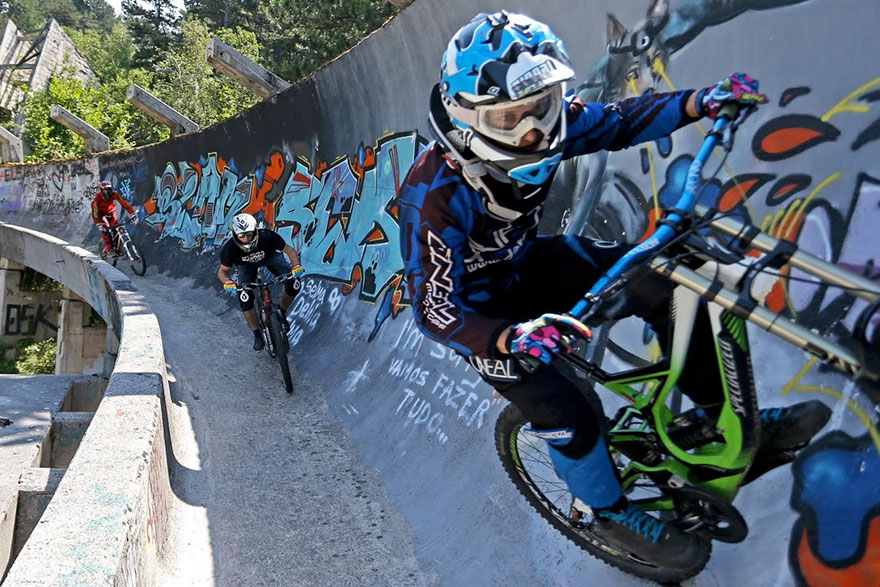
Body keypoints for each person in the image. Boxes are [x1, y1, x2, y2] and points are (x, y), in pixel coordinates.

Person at [398, 11, 830, 570]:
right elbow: (434, 311)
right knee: (572, 409)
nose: (534, 131)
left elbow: (622, 119)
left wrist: (702, 101)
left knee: (668, 283)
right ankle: (605, 511)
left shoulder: (549, 125)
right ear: (465, 117)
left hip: (527, 265)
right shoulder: (431, 194)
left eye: (542, 108)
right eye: (510, 117)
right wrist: (508, 339)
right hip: (485, 317)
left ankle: (725, 419)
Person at [217, 213, 305, 351]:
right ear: (235, 235)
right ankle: (257, 335)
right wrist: (227, 281)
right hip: (246, 266)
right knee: (244, 297)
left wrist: (296, 265)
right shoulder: (230, 248)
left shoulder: (267, 236)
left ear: (256, 231)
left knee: (294, 283)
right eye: (241, 236)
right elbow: (222, 271)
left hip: (270, 258)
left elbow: (289, 250)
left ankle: (281, 311)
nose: (246, 239)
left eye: (250, 234)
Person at [92, 180, 137, 255]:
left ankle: (117, 249)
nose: (108, 192)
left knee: (116, 229)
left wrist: (132, 214)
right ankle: (109, 249)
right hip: (101, 214)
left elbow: (125, 203)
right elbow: (95, 213)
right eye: (105, 190)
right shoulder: (97, 199)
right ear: (101, 191)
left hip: (111, 212)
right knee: (106, 228)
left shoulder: (114, 194)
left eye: (109, 189)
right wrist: (99, 224)